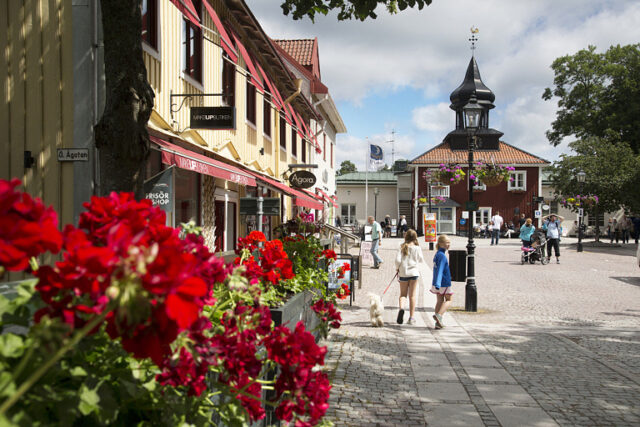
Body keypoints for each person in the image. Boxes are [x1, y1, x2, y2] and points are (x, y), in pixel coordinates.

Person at [394, 229, 424, 325]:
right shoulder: (417, 248)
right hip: (414, 273)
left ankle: (402, 308)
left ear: (405, 237)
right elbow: (421, 259)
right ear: (415, 238)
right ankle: (411, 318)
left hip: (403, 273)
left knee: (403, 295)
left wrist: (397, 269)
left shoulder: (402, 247)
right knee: (412, 295)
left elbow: (398, 260)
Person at [430, 235, 452, 329]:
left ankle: (438, 323)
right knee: (449, 300)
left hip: (436, 282)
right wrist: (438, 283)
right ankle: (439, 315)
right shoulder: (442, 256)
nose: (448, 244)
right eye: (446, 242)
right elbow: (440, 270)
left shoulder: (437, 254)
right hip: (444, 282)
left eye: (449, 242)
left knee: (439, 301)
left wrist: (436, 283)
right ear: (441, 244)